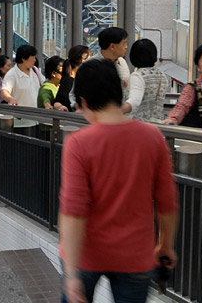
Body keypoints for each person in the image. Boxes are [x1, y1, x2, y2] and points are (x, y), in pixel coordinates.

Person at [59, 59, 178, 303]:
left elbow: (74, 211)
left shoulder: (79, 143)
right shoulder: (152, 137)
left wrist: (71, 275)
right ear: (118, 91)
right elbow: (167, 201)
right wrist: (166, 244)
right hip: (135, 255)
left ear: (83, 102)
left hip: (86, 255)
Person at [164, 42, 202, 127]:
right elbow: (182, 106)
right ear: (198, 65)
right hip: (196, 137)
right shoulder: (192, 88)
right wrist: (173, 119)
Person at [70, 28, 130, 109]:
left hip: (118, 116)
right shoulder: (89, 66)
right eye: (123, 43)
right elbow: (74, 94)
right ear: (112, 46)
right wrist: (78, 107)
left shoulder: (122, 63)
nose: (126, 47)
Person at [124, 39, 170, 122]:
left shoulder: (138, 76)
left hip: (138, 126)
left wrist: (115, 111)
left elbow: (134, 101)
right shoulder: (162, 75)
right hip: (158, 124)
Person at [55, 45, 89, 110]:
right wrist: (61, 107)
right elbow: (58, 101)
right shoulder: (69, 81)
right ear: (82, 59)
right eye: (89, 58)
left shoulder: (75, 80)